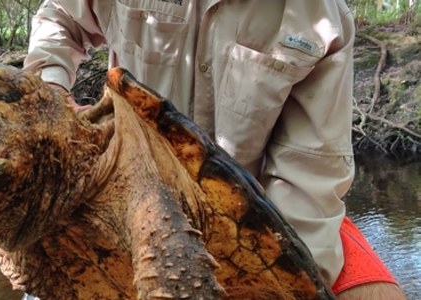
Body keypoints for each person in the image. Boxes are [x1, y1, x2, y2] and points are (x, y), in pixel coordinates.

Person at [23, 1, 405, 299]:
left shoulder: (319, 15)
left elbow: (309, 178)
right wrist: (50, 93)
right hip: (121, 191)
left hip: (261, 209)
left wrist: (274, 282)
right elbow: (59, 18)